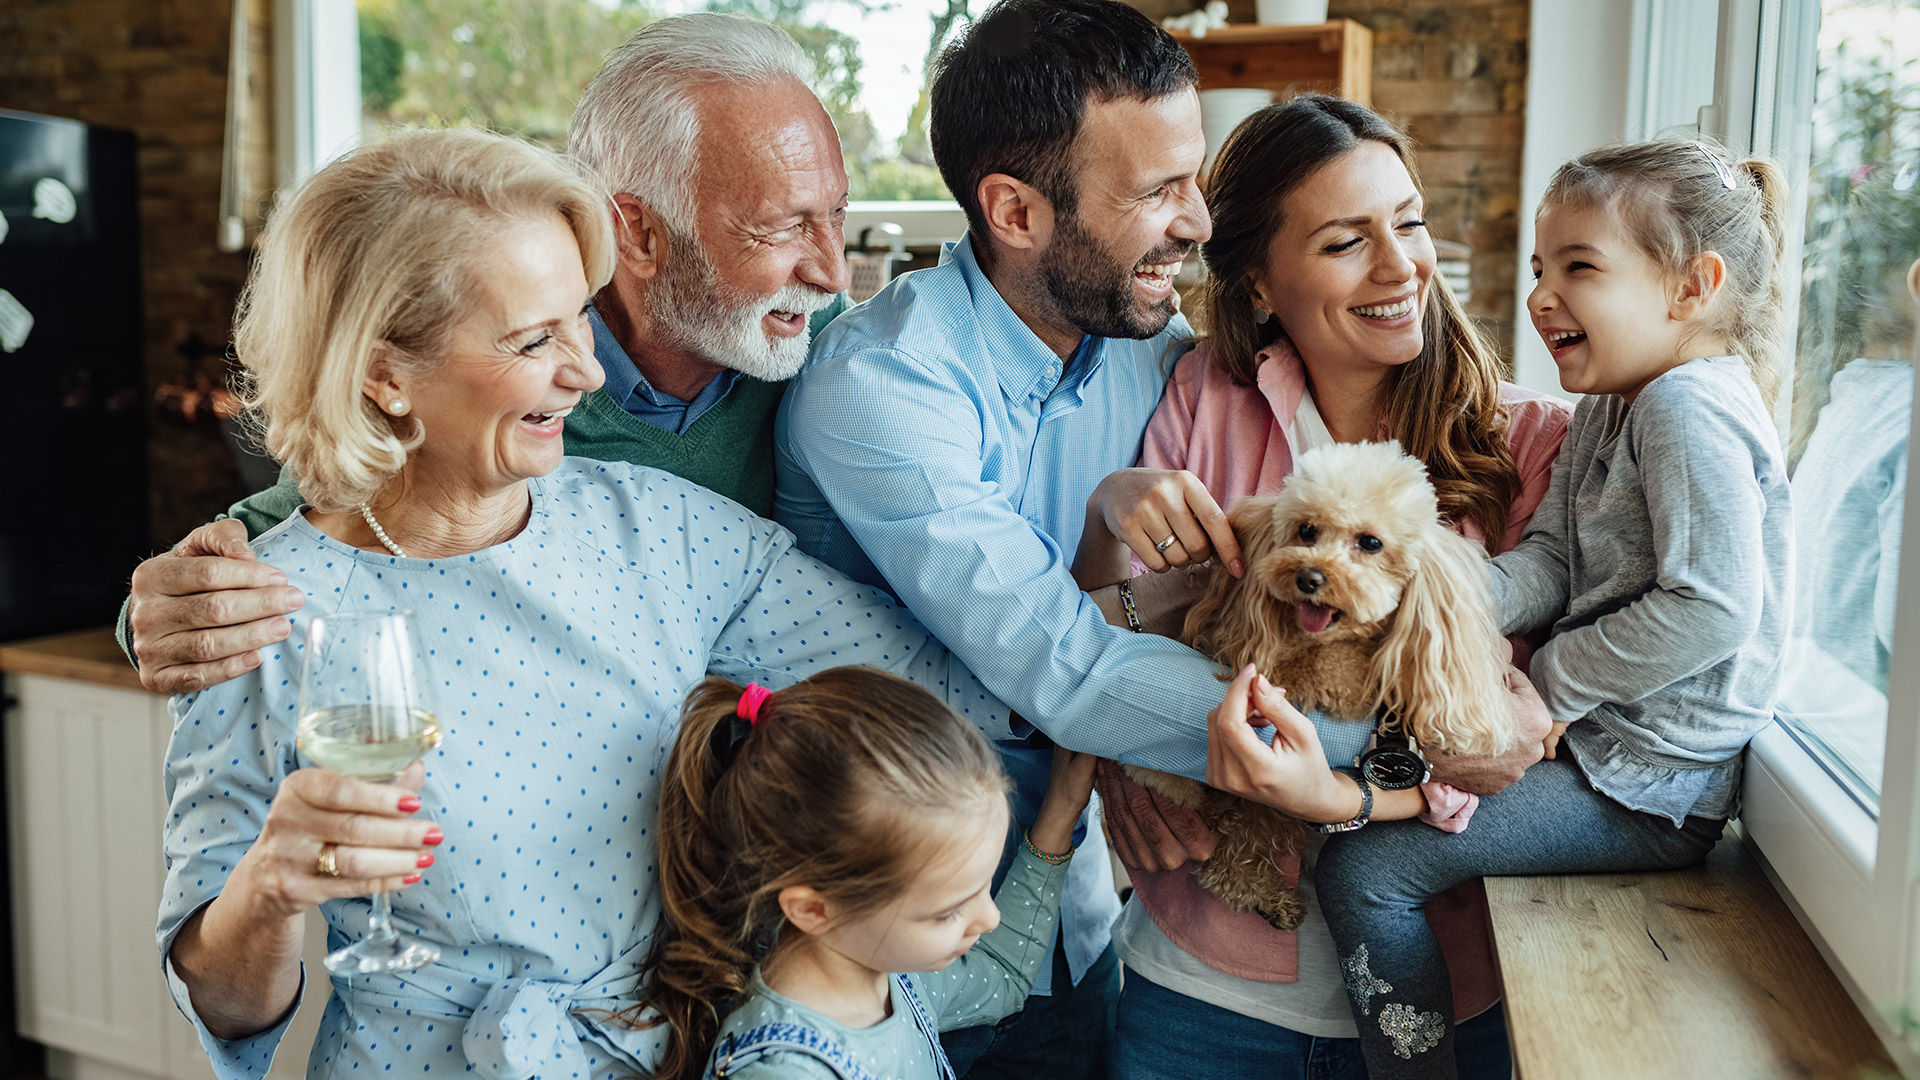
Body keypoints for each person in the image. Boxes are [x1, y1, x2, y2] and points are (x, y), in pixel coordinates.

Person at [773, 5, 1545, 1075]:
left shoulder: (1160, 354)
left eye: (1194, 181)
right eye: (1157, 193)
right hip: (877, 943)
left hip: (1069, 918)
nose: (1196, 226)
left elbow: (1164, 615)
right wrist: (1395, 761)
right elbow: (1073, 671)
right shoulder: (882, 387)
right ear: (1014, 210)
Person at [157, 127, 1009, 1080]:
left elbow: (953, 679)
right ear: (384, 376)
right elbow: (223, 1008)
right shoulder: (249, 610)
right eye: (534, 340)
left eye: (580, 323)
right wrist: (270, 889)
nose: (590, 372)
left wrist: (1130, 596)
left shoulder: (658, 530)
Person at [122, 12, 850, 695]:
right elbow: (306, 527)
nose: (832, 274)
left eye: (838, 215)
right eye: (780, 230)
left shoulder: (837, 350)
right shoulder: (495, 399)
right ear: (638, 233)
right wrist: (164, 609)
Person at [1075, 95, 1567, 1080]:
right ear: (1260, 279)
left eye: (1410, 222)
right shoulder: (1199, 405)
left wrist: (1342, 794)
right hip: (1203, 990)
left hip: (1451, 985)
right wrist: (1113, 759)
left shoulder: (1534, 444)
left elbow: (1533, 744)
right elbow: (1112, 639)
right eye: (1348, 242)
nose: (1401, 267)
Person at [1305, 139, 1793, 1078]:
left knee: (1366, 869)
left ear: (1693, 286)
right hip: (1616, 758)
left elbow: (1712, 608)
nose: (1540, 297)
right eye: (1540, 268)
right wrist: (1439, 592)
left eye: (1579, 268)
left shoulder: (1686, 409)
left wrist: (1548, 687)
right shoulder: (1616, 403)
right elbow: (1556, 561)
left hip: (1654, 788)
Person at [634, 668, 1096, 1080]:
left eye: (981, 887)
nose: (989, 918)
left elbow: (1001, 975)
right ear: (814, 910)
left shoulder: (883, 968)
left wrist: (1059, 812)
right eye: (950, 911)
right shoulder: (785, 1071)